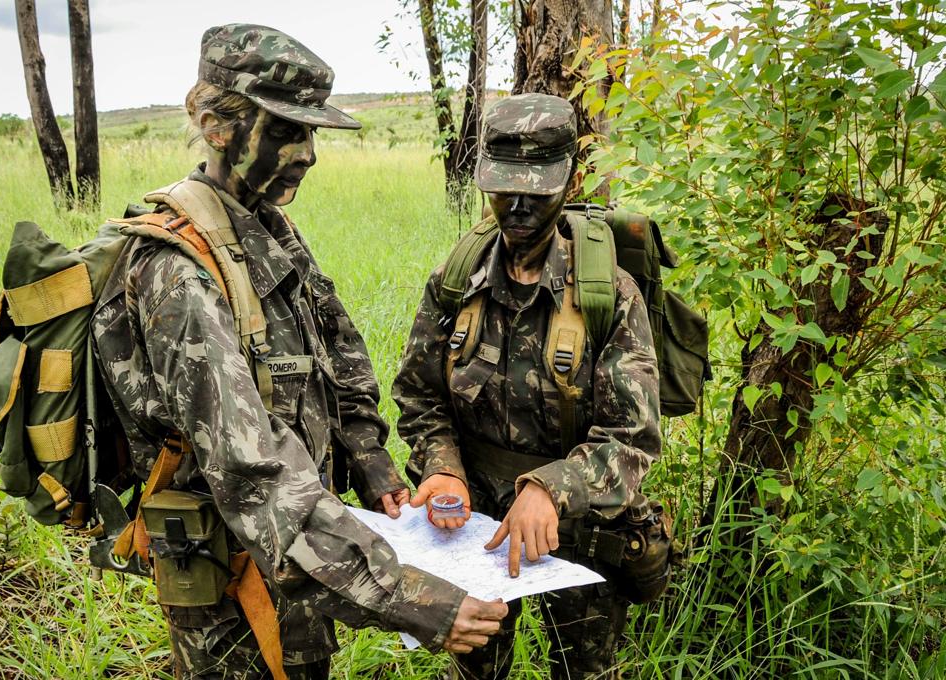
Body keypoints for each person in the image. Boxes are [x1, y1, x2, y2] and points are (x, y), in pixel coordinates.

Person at [91, 24, 507, 680]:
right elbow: (250, 470)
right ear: (216, 125)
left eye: (310, 133)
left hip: (305, 560)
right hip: (230, 592)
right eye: (287, 130)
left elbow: (337, 357)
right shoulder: (178, 274)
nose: (308, 153)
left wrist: (377, 474)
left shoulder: (265, 225)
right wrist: (419, 602)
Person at [393, 93, 662, 680]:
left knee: (585, 670)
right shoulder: (457, 279)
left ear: (569, 180)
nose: (516, 204)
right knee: (473, 667)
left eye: (535, 188)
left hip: (580, 523)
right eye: (502, 187)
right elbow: (418, 396)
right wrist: (442, 467)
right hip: (471, 527)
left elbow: (632, 437)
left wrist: (551, 488)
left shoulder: (607, 294)